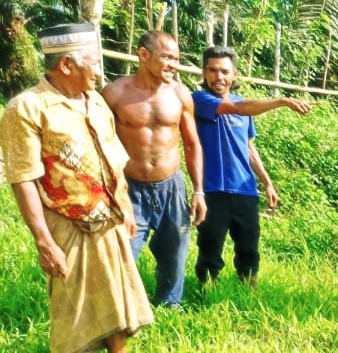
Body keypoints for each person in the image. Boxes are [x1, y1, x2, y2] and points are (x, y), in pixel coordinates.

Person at [0, 23, 154, 353]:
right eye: (93, 63)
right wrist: (43, 240)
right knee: (70, 309)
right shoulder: (26, 108)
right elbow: (24, 179)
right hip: (66, 226)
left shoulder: (96, 102)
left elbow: (115, 161)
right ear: (66, 64)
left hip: (111, 220)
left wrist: (127, 210)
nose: (100, 72)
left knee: (119, 297)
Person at [102, 30, 207, 309]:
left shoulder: (180, 94)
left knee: (174, 253)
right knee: (123, 253)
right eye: (167, 57)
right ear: (144, 55)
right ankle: (122, 311)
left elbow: (192, 143)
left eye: (177, 59)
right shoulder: (114, 94)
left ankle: (169, 306)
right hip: (129, 188)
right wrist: (109, 189)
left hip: (171, 186)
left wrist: (198, 191)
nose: (174, 64)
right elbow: (99, 144)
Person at [192, 45, 311, 286]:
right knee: (210, 246)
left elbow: (248, 148)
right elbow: (235, 108)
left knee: (248, 247)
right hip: (213, 189)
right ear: (204, 73)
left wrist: (267, 183)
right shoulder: (199, 100)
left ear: (235, 75)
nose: (219, 77)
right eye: (213, 70)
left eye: (225, 71)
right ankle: (206, 293)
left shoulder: (244, 106)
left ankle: (248, 293)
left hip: (245, 190)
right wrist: (282, 101)